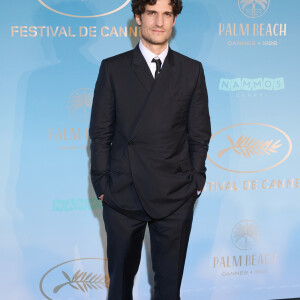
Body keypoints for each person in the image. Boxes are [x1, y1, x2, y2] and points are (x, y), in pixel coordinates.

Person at [89, 0, 211, 298]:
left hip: (174, 194)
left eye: (167, 14)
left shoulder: (191, 70)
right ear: (138, 17)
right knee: (119, 287)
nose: (159, 22)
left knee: (169, 288)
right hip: (123, 194)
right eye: (152, 13)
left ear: (174, 20)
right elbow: (100, 133)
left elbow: (199, 133)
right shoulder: (113, 68)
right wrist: (103, 185)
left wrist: (195, 181)